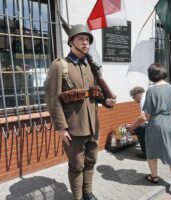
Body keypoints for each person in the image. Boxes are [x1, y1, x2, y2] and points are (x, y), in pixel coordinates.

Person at [45, 23, 116, 200]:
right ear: (71, 42)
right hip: (73, 126)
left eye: (87, 39)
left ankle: (88, 193)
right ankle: (77, 197)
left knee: (91, 161)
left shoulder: (90, 66)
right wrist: (61, 128)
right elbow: (53, 99)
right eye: (80, 39)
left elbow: (96, 93)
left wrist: (106, 100)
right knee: (76, 165)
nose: (85, 43)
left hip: (93, 125)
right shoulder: (60, 65)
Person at [143, 63, 171, 193]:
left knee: (151, 149)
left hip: (157, 122)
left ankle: (154, 177)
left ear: (151, 75)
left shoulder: (151, 90)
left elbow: (147, 114)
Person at [127, 86, 147, 159]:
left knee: (139, 129)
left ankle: (146, 153)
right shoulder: (147, 95)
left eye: (133, 97)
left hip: (156, 125)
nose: (134, 100)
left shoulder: (143, 99)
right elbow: (145, 116)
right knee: (138, 126)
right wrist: (134, 123)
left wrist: (131, 127)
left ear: (137, 94)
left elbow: (143, 118)